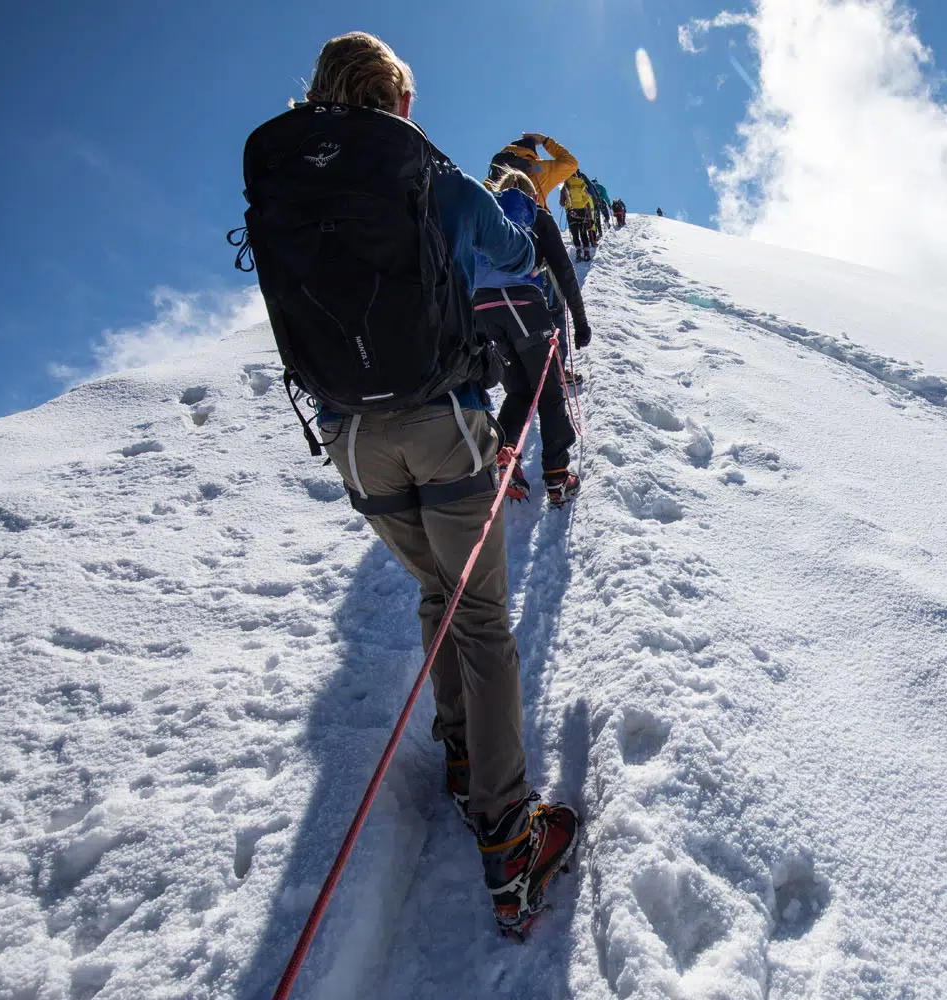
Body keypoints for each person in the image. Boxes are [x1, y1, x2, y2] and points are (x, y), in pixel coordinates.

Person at [241, 32, 579, 939]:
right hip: (442, 421)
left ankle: (465, 754)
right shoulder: (420, 170)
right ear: (395, 99)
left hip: (350, 437)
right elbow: (512, 255)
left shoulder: (284, 178)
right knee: (481, 617)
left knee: (436, 585)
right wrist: (510, 194)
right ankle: (509, 839)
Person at [474, 167, 589, 506]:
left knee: (519, 390)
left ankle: (504, 457)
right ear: (530, 195)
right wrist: (580, 322)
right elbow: (564, 272)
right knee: (549, 390)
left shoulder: (484, 216)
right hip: (523, 303)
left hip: (482, 308)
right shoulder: (536, 216)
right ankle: (556, 476)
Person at [488, 133, 579, 209]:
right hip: (532, 225)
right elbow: (571, 164)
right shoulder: (540, 168)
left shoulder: (495, 173)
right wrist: (545, 140)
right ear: (532, 151)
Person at [561, 171, 597, 262]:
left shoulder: (565, 185)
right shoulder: (582, 183)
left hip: (571, 212)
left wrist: (567, 206)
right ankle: (587, 253)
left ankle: (578, 252)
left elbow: (561, 202)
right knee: (583, 232)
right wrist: (585, 208)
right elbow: (587, 198)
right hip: (582, 211)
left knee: (575, 233)